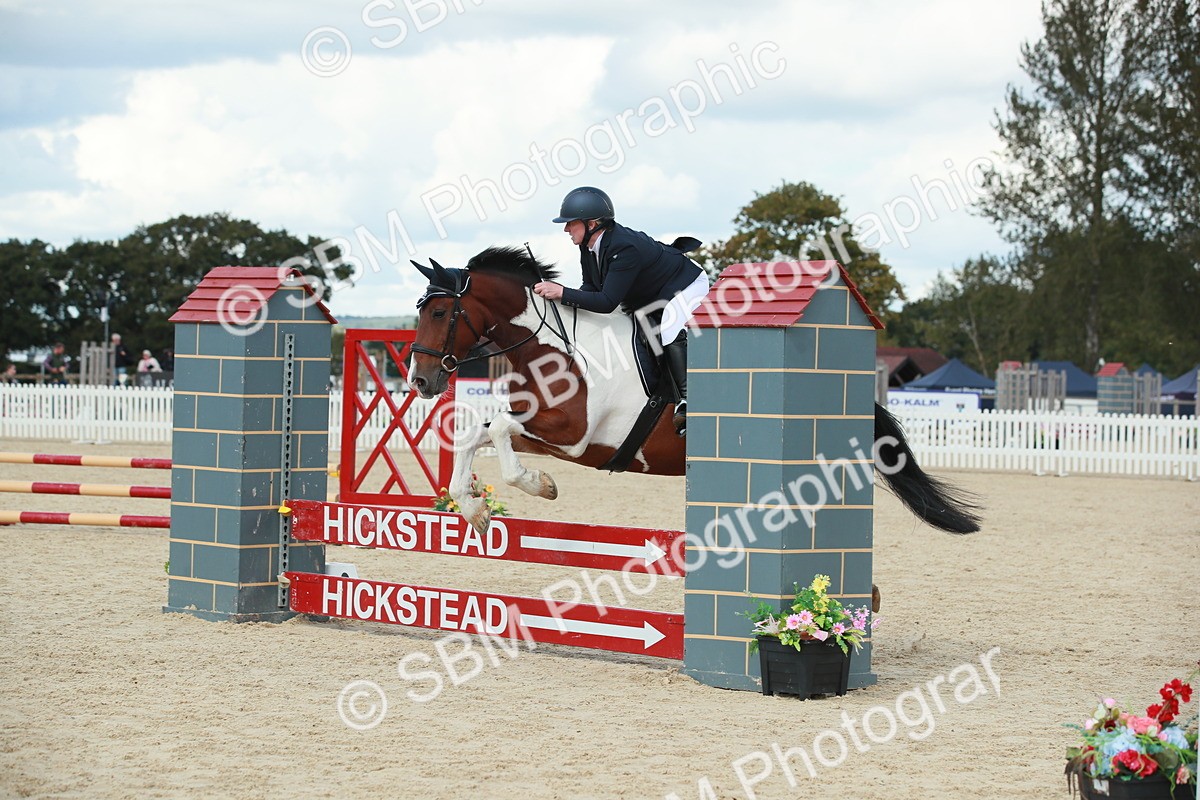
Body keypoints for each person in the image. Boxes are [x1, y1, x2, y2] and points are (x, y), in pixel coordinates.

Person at [533, 186, 709, 435]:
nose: (565, 229)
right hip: (653, 291)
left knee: (668, 328)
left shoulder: (623, 247)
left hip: (685, 283)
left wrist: (562, 292)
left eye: (571, 223)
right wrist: (567, 301)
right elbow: (591, 288)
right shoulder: (588, 246)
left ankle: (689, 404)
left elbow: (607, 302)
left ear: (592, 223)